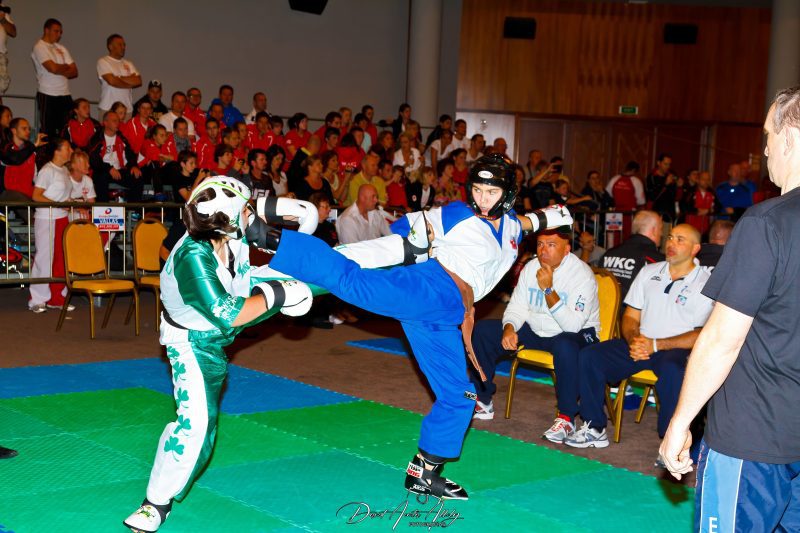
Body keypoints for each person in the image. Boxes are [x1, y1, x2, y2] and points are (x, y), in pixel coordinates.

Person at [255, 154, 573, 500]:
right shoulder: (457, 214)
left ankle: (423, 471)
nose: (482, 198)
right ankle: (271, 239)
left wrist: (555, 214)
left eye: (491, 191)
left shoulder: (512, 226)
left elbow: (530, 222)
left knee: (460, 395)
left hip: (448, 314)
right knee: (353, 282)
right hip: (430, 286)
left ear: (507, 193)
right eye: (478, 189)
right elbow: (402, 229)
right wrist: (420, 236)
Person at [123, 177, 316, 532]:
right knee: (197, 427)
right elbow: (229, 313)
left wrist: (295, 213)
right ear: (228, 217)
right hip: (193, 341)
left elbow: (301, 215)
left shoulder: (227, 225)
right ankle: (156, 502)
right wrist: (279, 295)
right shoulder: (191, 256)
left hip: (234, 299)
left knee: (321, 271)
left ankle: (400, 256)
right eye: (245, 210)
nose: (250, 214)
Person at [660, 88, 800, 532]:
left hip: (754, 435)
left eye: (767, 137)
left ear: (791, 138)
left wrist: (680, 422)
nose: (764, 150)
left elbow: (722, 338)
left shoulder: (767, 223)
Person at [566, 224, 712, 448]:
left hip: (676, 349)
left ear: (695, 249)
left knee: (676, 370)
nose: (671, 243)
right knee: (591, 356)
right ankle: (594, 427)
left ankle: (671, 442)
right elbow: (631, 317)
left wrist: (657, 345)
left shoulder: (705, 282)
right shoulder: (649, 272)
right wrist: (634, 339)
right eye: (670, 237)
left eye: (680, 240)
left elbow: (701, 334)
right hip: (642, 342)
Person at [469, 226, 600, 435]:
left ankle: (566, 417)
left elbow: (572, 326)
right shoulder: (531, 268)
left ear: (567, 249)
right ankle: (483, 400)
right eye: (540, 244)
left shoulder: (582, 275)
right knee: (483, 331)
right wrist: (509, 328)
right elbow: (517, 307)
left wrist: (548, 289)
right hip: (538, 330)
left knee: (566, 344)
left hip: (578, 334)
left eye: (551, 245)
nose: (543, 250)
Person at [29, 138, 74, 313]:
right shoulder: (47, 170)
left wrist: (70, 202)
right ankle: (37, 300)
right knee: (44, 258)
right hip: (47, 218)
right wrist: (57, 204)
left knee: (61, 259)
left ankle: (57, 297)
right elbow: (36, 195)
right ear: (58, 151)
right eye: (68, 148)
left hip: (62, 217)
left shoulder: (63, 170)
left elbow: (61, 195)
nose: (71, 151)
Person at [599, 210, 664, 300]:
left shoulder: (608, 254)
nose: (662, 234)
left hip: (606, 311)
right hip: (634, 312)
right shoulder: (656, 260)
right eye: (661, 229)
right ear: (653, 230)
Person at [32, 18, 78, 137]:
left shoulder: (61, 48)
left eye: (60, 32)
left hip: (65, 94)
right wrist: (65, 67)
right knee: (49, 131)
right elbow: (52, 68)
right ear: (46, 30)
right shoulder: (39, 46)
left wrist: (59, 68)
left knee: (67, 129)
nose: (58, 34)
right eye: (56, 31)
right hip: (48, 93)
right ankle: (47, 155)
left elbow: (74, 71)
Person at [96, 34, 141, 119]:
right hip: (108, 109)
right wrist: (129, 83)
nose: (123, 47)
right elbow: (111, 81)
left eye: (124, 45)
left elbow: (138, 81)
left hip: (127, 111)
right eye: (120, 44)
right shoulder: (103, 61)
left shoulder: (128, 63)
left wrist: (118, 78)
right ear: (110, 46)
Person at [0, 7, 16, 99]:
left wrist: (2, 19)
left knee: (2, 85)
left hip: (1, 53)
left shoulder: (3, 9)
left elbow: (13, 32)